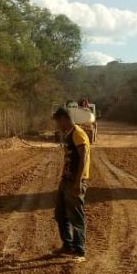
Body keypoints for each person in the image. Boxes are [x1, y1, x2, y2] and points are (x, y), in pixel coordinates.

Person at [52, 107, 90, 261]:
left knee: (76, 216)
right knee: (61, 214)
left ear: (64, 119)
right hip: (66, 180)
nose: (58, 125)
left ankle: (80, 251)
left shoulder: (78, 134)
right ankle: (68, 246)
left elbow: (84, 158)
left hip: (75, 181)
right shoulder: (69, 134)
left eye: (58, 122)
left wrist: (78, 182)